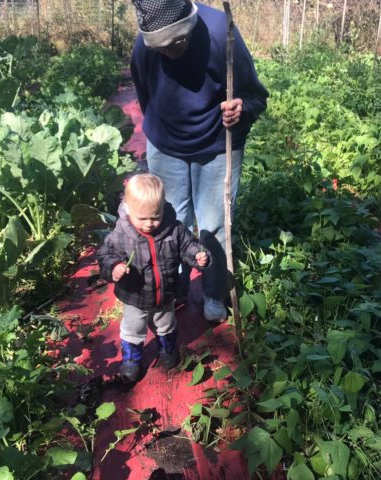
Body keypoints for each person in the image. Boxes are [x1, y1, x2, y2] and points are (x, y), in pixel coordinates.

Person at [130, 0, 269, 322]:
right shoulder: (144, 46)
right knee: (167, 222)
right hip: (166, 144)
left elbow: (255, 96)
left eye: (177, 43)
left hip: (219, 143)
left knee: (213, 225)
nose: (171, 52)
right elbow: (144, 95)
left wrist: (241, 108)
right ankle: (172, 288)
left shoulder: (222, 33)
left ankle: (214, 293)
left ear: (191, 23)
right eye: (161, 48)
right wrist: (163, 132)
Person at [97, 174, 210, 382]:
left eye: (155, 216)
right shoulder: (121, 233)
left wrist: (197, 256)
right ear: (129, 210)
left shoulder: (174, 229)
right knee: (133, 328)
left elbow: (188, 246)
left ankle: (167, 349)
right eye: (142, 218)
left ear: (163, 207)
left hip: (165, 292)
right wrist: (114, 268)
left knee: (165, 323)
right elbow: (105, 255)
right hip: (134, 294)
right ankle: (131, 359)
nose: (150, 223)